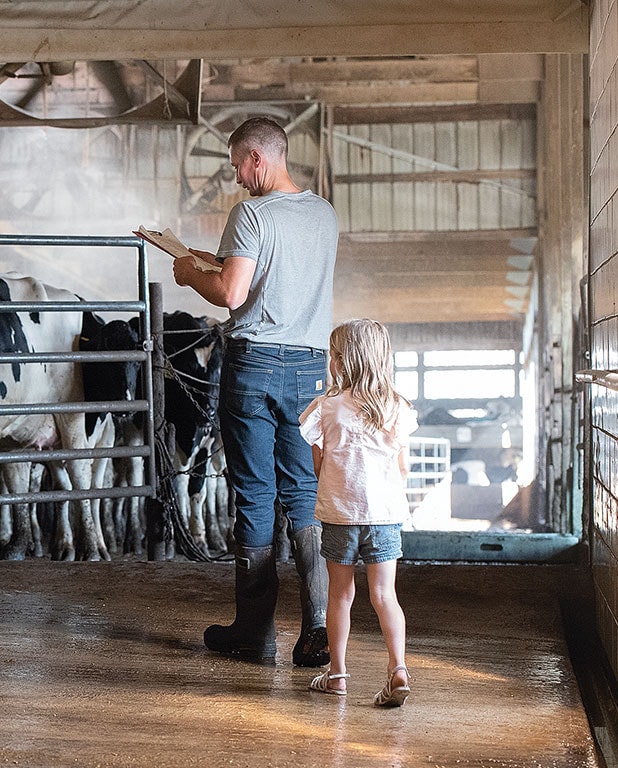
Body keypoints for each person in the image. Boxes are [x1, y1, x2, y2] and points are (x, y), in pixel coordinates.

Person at [172, 116, 337, 666]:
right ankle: (317, 628)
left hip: (256, 366)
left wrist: (189, 273)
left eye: (238, 164)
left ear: (257, 159)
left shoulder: (252, 214)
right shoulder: (323, 214)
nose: (237, 177)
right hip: (310, 368)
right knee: (303, 494)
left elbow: (231, 293)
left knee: (255, 494)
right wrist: (215, 260)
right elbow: (275, 277)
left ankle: (255, 632)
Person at [300, 318, 417, 707]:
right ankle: (398, 669)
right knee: (385, 595)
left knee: (341, 595)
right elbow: (403, 468)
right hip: (384, 516)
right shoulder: (397, 408)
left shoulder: (325, 409)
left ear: (341, 360)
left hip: (340, 515)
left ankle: (337, 675)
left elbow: (319, 467)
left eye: (332, 354)